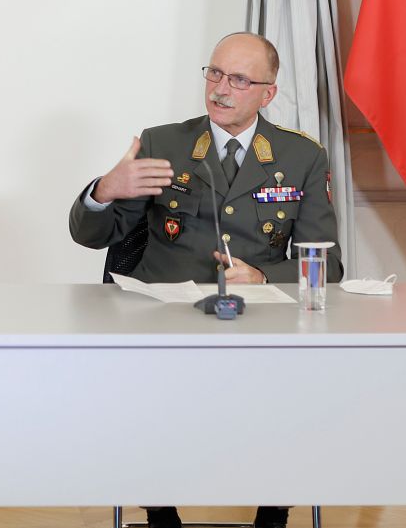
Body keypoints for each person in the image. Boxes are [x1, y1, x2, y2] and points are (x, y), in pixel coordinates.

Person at [68, 32, 342, 528]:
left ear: (268, 93)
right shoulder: (162, 143)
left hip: (257, 322)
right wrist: (104, 190)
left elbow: (327, 264)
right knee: (146, 399)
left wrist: (263, 276)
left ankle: (273, 513)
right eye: (214, 73)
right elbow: (92, 235)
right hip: (163, 321)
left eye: (238, 80)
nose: (220, 89)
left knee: (292, 392)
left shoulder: (301, 157)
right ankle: (160, 513)